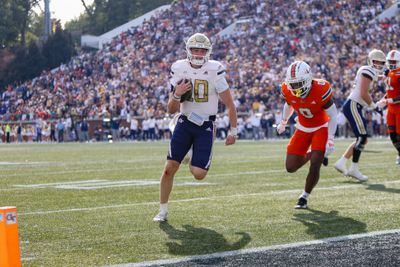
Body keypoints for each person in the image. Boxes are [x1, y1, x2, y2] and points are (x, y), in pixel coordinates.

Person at [153, 33, 238, 222]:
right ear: (188, 50)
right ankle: (162, 211)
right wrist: (176, 94)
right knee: (169, 168)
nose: (198, 54)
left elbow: (230, 104)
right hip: (184, 121)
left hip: (206, 124)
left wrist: (233, 131)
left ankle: (190, 155)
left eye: (202, 50)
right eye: (195, 50)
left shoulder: (215, 69)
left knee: (199, 174)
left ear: (208, 52)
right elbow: (170, 109)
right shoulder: (179, 68)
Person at [277, 60, 337, 209]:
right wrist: (284, 121)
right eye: (293, 84)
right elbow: (289, 104)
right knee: (290, 167)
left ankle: (304, 197)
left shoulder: (321, 89)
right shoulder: (286, 89)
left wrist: (330, 139)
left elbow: (333, 116)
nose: (296, 88)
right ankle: (314, 154)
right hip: (303, 127)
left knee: (315, 164)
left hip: (321, 127)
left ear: (309, 79)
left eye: (299, 83)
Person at [334, 49, 386, 181]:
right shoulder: (367, 70)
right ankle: (353, 168)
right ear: (370, 61)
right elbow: (363, 93)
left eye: (381, 62)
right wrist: (374, 106)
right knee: (362, 137)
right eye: (376, 61)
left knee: (362, 138)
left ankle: (342, 162)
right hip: (353, 105)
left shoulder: (370, 72)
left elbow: (376, 78)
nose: (379, 64)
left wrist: (387, 75)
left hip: (355, 106)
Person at [377, 50, 400, 165]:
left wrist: (387, 100)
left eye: (393, 61)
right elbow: (390, 91)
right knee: (392, 135)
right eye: (390, 61)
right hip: (391, 109)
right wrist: (383, 99)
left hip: (399, 108)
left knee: (399, 135)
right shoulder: (389, 73)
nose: (391, 63)